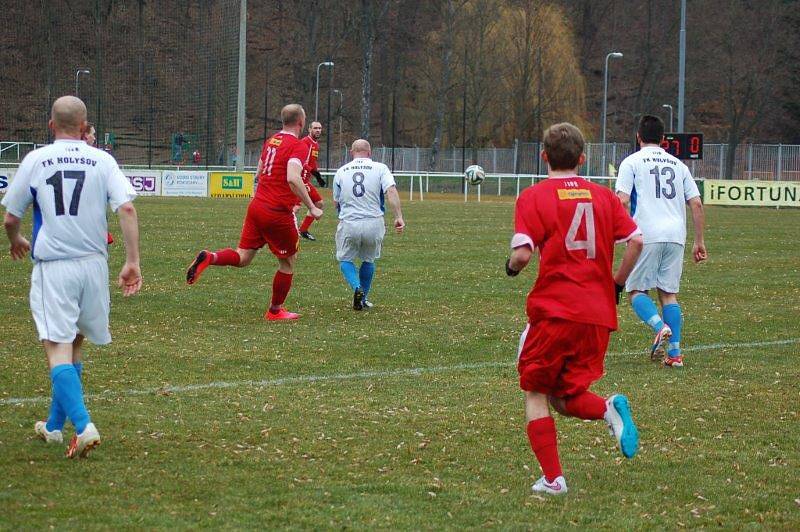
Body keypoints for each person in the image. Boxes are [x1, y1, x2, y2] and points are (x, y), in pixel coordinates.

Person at [506, 122, 644, 495]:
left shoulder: (535, 196)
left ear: (544, 156)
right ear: (582, 159)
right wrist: (616, 283)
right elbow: (635, 241)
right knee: (564, 398)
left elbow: (521, 253)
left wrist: (511, 268)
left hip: (556, 311)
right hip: (597, 316)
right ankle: (608, 408)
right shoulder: (603, 197)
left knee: (535, 393)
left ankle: (554, 479)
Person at [2, 95, 141, 458]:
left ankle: (84, 426)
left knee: (57, 348)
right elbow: (126, 207)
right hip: (94, 265)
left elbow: (11, 217)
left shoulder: (35, 159)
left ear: (51, 125)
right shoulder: (102, 159)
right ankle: (52, 427)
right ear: (84, 128)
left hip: (56, 267)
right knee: (76, 344)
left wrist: (15, 239)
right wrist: (132, 261)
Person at [186, 104, 322, 320]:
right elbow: (292, 177)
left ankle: (210, 257)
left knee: (243, 257)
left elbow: (259, 172)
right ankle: (275, 311)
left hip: (257, 206)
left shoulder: (271, 142)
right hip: (277, 211)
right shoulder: (298, 146)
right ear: (301, 123)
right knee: (288, 262)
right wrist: (312, 206)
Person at [615, 115, 707, 368]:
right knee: (669, 294)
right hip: (676, 234)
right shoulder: (679, 165)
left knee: (636, 291)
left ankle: (659, 326)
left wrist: (624, 233)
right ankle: (675, 354)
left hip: (646, 233)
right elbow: (696, 203)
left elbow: (622, 200)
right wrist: (699, 241)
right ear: (664, 140)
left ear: (638, 137)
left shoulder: (631, 162)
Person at [332, 139, 404, 310]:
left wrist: (342, 216)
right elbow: (391, 191)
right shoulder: (380, 168)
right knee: (369, 259)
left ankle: (357, 287)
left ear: (351, 152)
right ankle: (363, 297)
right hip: (374, 222)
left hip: (350, 222)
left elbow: (336, 201)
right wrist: (398, 216)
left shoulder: (341, 171)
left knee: (345, 259)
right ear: (370, 153)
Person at [82, 123, 115, 245]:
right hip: (92, 219)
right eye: (92, 134)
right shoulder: (98, 159)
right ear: (85, 135)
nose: (94, 138)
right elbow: (127, 208)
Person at [297, 121, 326, 241]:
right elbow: (301, 161)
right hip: (299, 179)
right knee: (295, 208)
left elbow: (312, 164)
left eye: (319, 128)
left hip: (306, 180)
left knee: (319, 203)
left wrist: (318, 177)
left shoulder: (315, 144)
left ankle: (303, 230)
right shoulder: (305, 142)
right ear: (309, 129)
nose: (318, 130)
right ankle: (286, 232)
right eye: (315, 128)